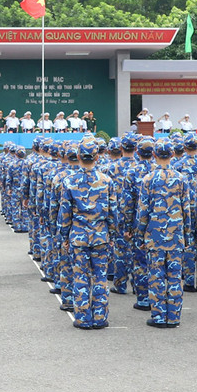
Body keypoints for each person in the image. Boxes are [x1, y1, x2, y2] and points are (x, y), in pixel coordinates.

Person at [134, 139, 189, 327]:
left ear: (154, 155)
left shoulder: (148, 179)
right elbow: (187, 210)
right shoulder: (181, 179)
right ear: (172, 155)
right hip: (176, 235)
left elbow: (142, 212)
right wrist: (187, 235)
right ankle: (173, 317)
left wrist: (140, 235)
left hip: (154, 235)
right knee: (175, 277)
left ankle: (158, 316)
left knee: (156, 276)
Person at [59, 139, 113, 329]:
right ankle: (100, 317)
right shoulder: (106, 181)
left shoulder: (69, 181)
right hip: (100, 236)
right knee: (100, 277)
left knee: (80, 278)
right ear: (97, 157)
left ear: (78, 156)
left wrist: (64, 236)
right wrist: (112, 235)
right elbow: (113, 212)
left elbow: (65, 213)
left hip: (78, 237)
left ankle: (83, 318)